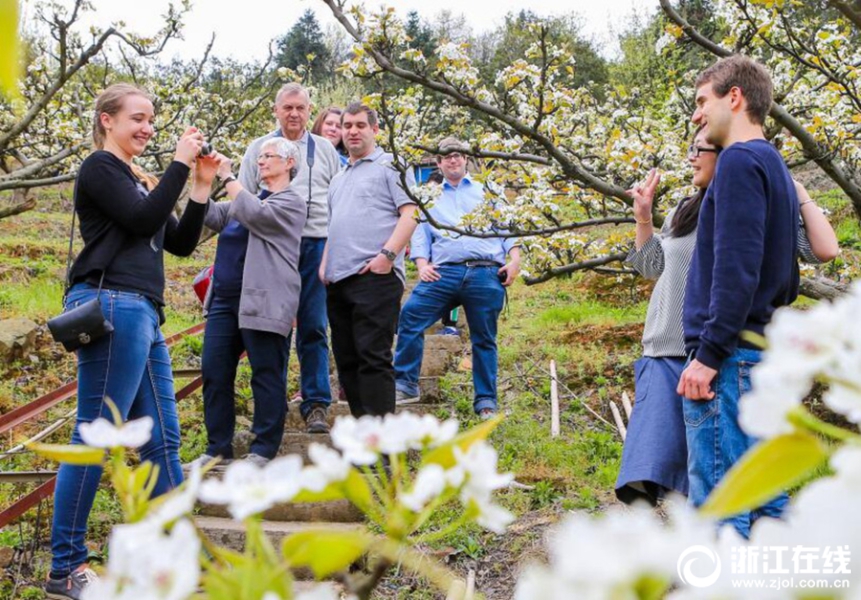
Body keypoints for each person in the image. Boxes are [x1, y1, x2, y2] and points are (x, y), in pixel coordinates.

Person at [615, 126, 838, 507]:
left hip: (711, 351)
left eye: (698, 149)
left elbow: (824, 249)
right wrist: (644, 219)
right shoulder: (684, 209)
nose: (691, 157)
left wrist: (794, 190)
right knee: (661, 474)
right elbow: (651, 268)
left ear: (725, 154)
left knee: (722, 473)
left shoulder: (753, 205)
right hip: (664, 351)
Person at [47, 83, 211, 600]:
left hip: (144, 311)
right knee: (95, 433)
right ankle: (65, 568)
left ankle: (176, 555)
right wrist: (180, 165)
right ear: (106, 121)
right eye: (137, 118)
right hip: (112, 304)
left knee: (162, 440)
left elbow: (179, 243)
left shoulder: (139, 179)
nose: (147, 128)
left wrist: (201, 186)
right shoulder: (100, 169)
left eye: (152, 121)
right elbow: (141, 221)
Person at [679, 55, 818, 538]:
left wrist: (709, 353)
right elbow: (785, 274)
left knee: (723, 500)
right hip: (760, 349)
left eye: (702, 101)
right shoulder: (774, 165)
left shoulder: (738, 161)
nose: (696, 115)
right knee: (765, 495)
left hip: (729, 357)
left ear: (733, 97)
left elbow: (737, 268)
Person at [188, 138, 307, 469]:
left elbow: (256, 214)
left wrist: (227, 177)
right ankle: (217, 449)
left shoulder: (291, 203)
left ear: (289, 164)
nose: (261, 161)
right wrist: (201, 179)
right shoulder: (244, 202)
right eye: (260, 156)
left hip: (265, 301)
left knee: (266, 374)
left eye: (269, 156)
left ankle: (264, 449)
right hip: (224, 300)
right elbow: (209, 214)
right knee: (214, 372)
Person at [238, 83, 341, 433]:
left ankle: (316, 405)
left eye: (300, 108)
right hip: (271, 248)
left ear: (310, 110)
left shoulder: (325, 149)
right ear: (275, 110)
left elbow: (339, 200)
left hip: (316, 243)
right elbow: (242, 199)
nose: (294, 114)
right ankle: (272, 406)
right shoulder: (258, 149)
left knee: (313, 325)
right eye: (288, 108)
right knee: (272, 328)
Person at [393, 138, 521, 419]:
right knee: (411, 315)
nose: (453, 160)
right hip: (444, 272)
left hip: (485, 271)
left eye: (458, 156)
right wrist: (422, 264)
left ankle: (486, 401)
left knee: (484, 338)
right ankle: (405, 383)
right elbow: (420, 233)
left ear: (466, 160)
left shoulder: (488, 190)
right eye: (447, 157)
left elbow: (508, 228)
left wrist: (514, 260)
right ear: (438, 163)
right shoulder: (429, 196)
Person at [320, 102, 418, 417]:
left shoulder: (392, 165)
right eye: (347, 126)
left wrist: (387, 256)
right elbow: (333, 224)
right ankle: (364, 444)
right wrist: (324, 265)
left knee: (373, 359)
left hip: (375, 277)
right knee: (347, 363)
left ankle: (384, 453)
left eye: (360, 125)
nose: (352, 131)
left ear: (375, 130)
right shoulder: (338, 178)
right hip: (338, 280)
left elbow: (411, 213)